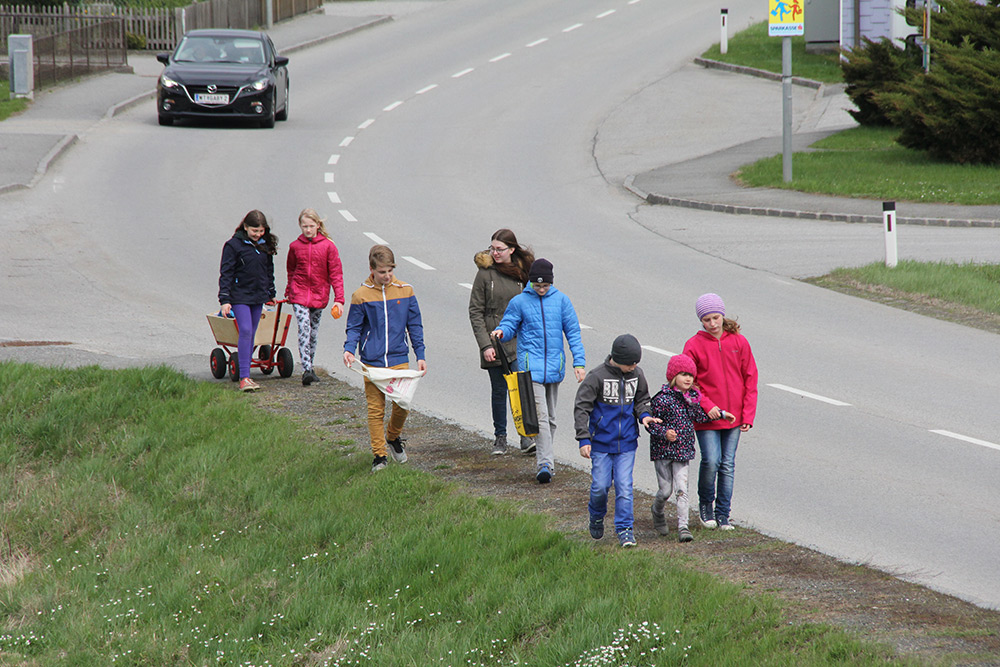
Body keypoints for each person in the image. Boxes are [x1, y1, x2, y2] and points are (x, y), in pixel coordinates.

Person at [492, 258, 586, 484]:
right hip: (530, 368)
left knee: (551, 418)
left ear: (551, 283)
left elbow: (573, 332)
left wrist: (579, 363)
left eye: (545, 286)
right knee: (541, 417)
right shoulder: (520, 301)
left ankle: (546, 458)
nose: (542, 289)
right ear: (531, 283)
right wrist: (501, 332)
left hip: (555, 367)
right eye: (538, 285)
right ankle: (545, 463)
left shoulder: (562, 301)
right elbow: (509, 323)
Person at [343, 245, 427, 473]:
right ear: (371, 270)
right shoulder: (361, 295)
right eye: (382, 272)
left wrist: (420, 355)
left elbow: (415, 326)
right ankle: (379, 456)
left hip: (399, 359)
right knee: (375, 409)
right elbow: (354, 327)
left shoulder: (405, 291)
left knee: (403, 404)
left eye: (390, 271)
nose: (387, 276)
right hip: (372, 362)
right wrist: (349, 349)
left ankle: (393, 436)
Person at [682, 293, 758, 530]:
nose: (712, 324)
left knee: (727, 464)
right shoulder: (693, 345)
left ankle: (723, 513)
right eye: (706, 320)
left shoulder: (739, 342)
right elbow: (688, 383)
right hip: (708, 417)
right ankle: (706, 506)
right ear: (700, 321)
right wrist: (707, 406)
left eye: (715, 318)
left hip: (734, 417)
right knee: (712, 460)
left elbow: (750, 378)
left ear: (722, 315)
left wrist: (747, 415)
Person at [574, 334, 658, 548]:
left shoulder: (637, 375)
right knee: (600, 486)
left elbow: (642, 400)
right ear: (617, 359)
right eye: (630, 363)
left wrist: (645, 416)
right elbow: (582, 408)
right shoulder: (596, 377)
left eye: (636, 363)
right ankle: (596, 514)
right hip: (601, 444)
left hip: (627, 442)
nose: (634, 366)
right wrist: (584, 438)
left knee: (624, 487)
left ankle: (625, 529)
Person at [647, 354, 735, 543]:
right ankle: (657, 511)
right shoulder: (662, 399)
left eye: (691, 375)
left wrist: (720, 414)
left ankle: (683, 527)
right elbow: (651, 424)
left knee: (682, 490)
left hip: (683, 451)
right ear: (673, 376)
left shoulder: (692, 399)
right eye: (683, 374)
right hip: (663, 452)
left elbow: (701, 416)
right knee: (665, 491)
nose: (688, 379)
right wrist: (665, 433)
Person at [468, 229, 536, 456]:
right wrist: (485, 345)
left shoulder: (523, 272)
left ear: (512, 250)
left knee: (521, 387)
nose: (495, 253)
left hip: (519, 340)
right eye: (492, 249)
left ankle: (526, 437)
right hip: (494, 340)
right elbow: (475, 311)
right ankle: (500, 437)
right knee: (499, 390)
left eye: (500, 249)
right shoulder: (485, 274)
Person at [218, 210, 278, 392]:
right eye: (254, 231)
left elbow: (269, 271)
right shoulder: (233, 246)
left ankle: (245, 370)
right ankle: (244, 377)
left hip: (257, 295)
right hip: (239, 295)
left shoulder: (264, 245)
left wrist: (270, 293)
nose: (258, 234)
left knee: (251, 332)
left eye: (261, 231)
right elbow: (226, 273)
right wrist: (225, 299)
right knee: (244, 330)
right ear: (245, 227)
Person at [285, 208, 345, 386]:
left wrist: (339, 299)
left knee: (313, 332)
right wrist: (289, 290)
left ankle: (310, 364)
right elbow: (291, 270)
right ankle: (306, 369)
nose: (308, 230)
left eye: (311, 226)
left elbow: (336, 274)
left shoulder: (328, 246)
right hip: (299, 293)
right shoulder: (295, 247)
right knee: (304, 327)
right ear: (300, 226)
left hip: (319, 295)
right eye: (304, 226)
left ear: (318, 225)